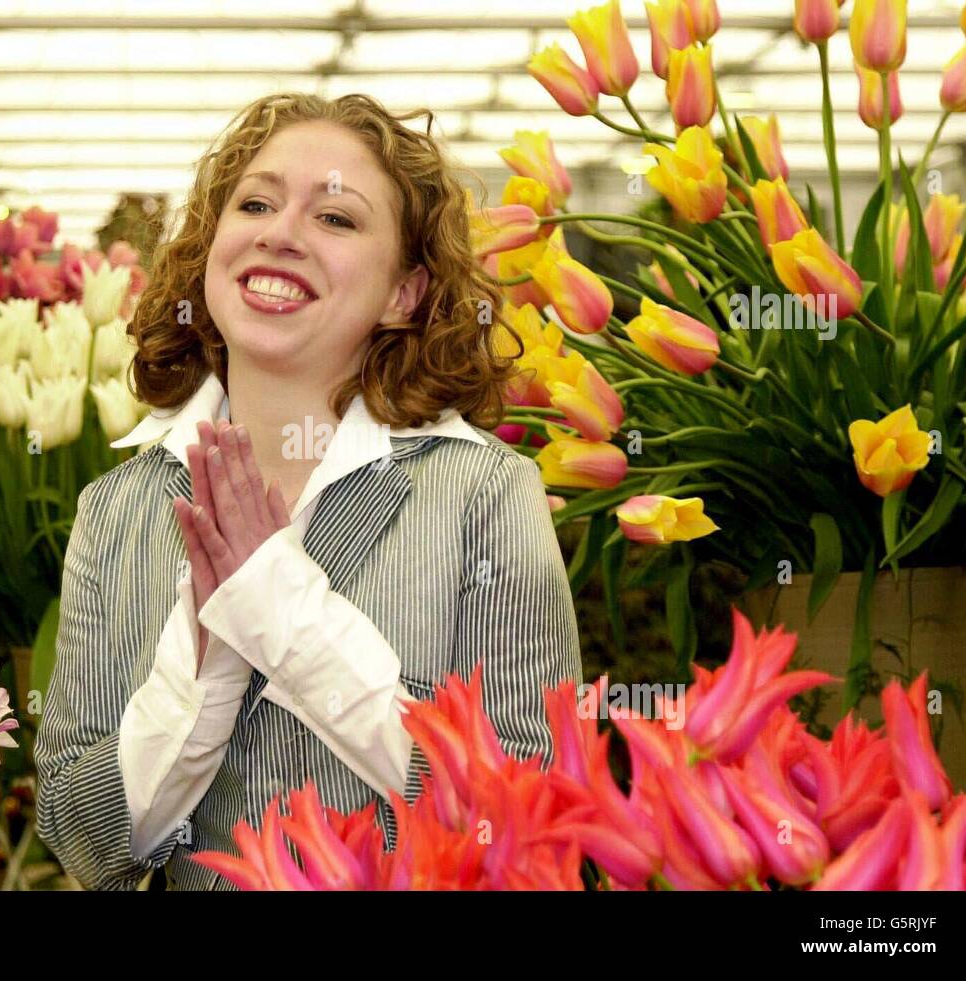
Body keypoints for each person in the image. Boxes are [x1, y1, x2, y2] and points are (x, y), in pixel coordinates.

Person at [35, 92, 582, 891]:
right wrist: (206, 668)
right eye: (255, 203)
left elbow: (519, 810)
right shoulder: (117, 508)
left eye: (336, 218)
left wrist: (286, 613)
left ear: (406, 292)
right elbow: (83, 841)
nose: (280, 232)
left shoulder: (486, 494)